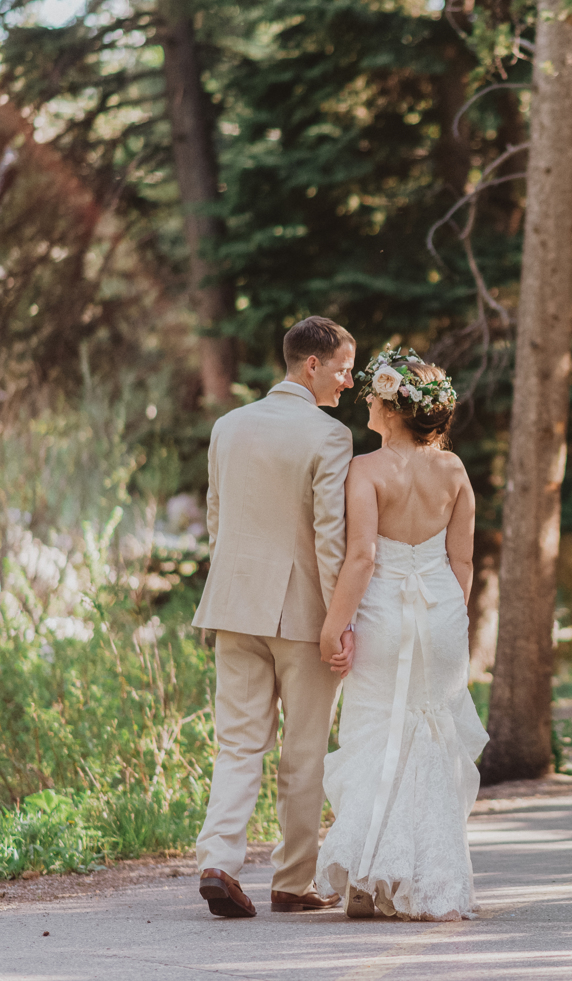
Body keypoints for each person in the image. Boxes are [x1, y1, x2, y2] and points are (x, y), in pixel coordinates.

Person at [191, 316, 356, 919]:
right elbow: (330, 538)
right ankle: (292, 881)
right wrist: (339, 619)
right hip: (302, 612)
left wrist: (233, 583)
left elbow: (216, 518)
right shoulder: (329, 436)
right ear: (311, 366)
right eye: (342, 370)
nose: (348, 382)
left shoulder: (228, 426)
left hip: (232, 606)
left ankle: (219, 861)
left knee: (237, 744)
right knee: (303, 751)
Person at [315, 346, 487, 921]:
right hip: (441, 614)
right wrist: (449, 618)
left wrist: (334, 626)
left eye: (373, 393)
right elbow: (462, 562)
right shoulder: (454, 470)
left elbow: (361, 557)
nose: (365, 398)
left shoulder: (365, 470)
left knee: (374, 732)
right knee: (432, 738)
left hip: (384, 613)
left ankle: (367, 878)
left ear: (391, 409)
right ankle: (430, 878)